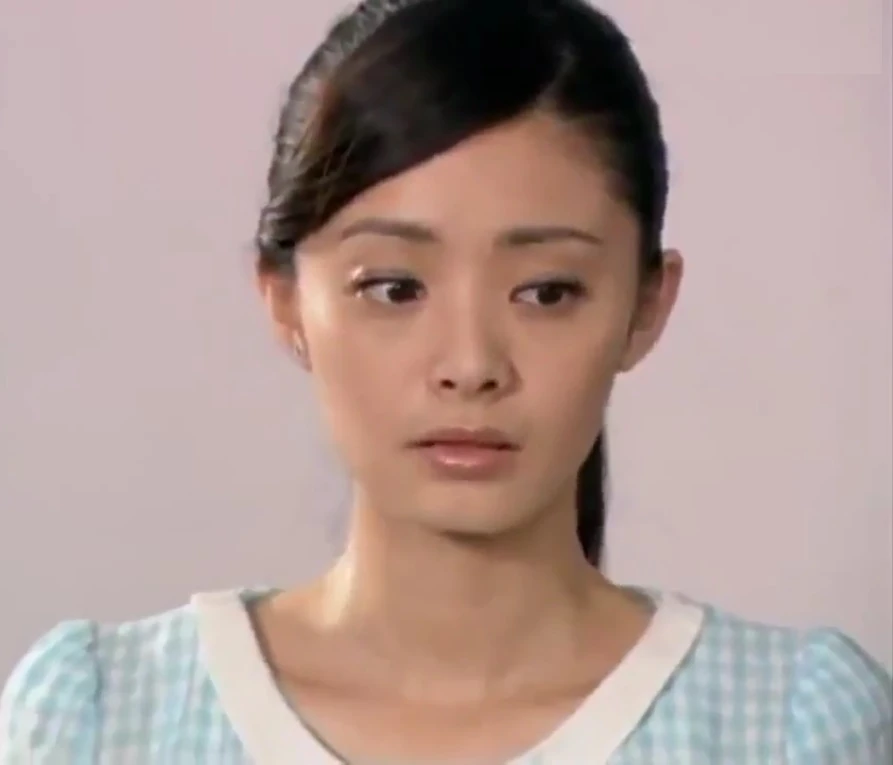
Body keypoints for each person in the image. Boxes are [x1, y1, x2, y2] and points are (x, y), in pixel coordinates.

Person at [2, 0, 891, 761]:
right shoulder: (101, 717)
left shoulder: (790, 724)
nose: (470, 365)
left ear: (646, 305)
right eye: (394, 288)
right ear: (285, 300)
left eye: (547, 291)